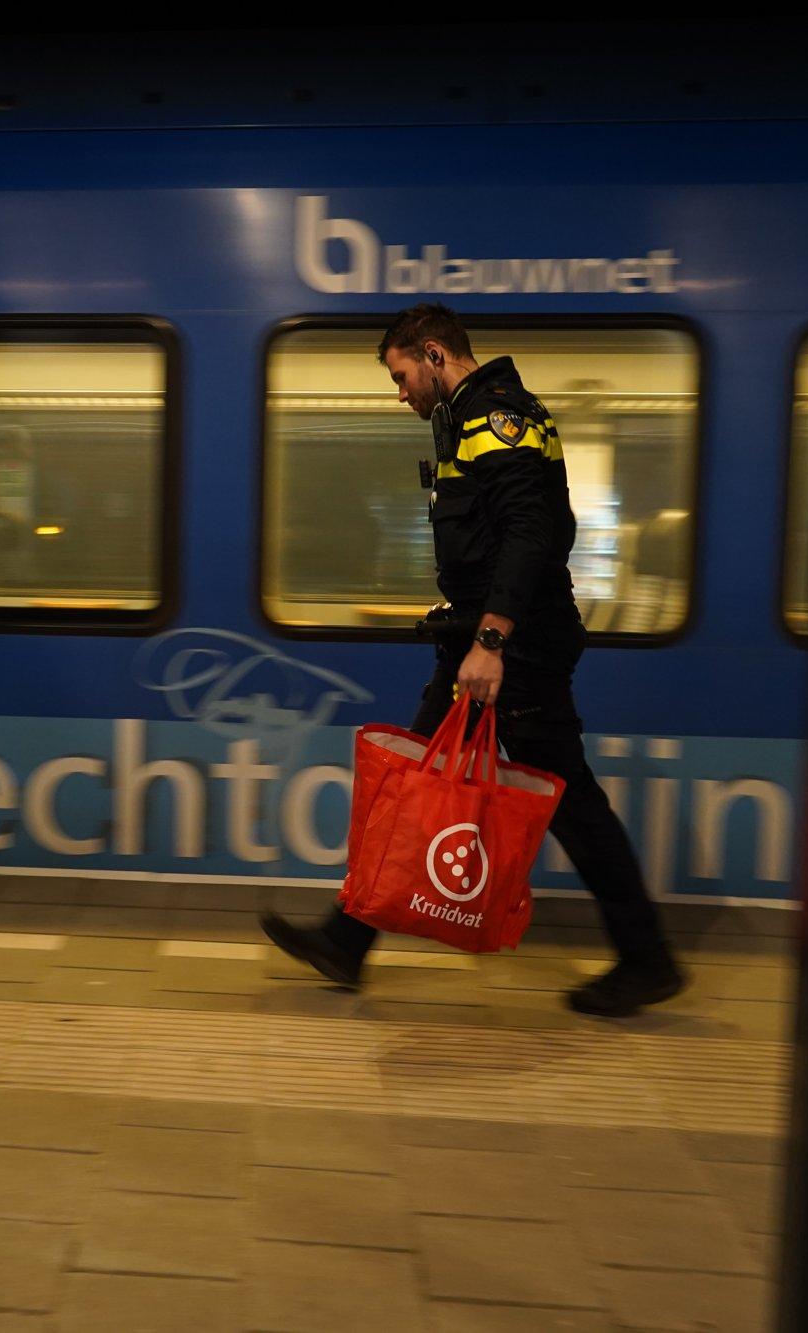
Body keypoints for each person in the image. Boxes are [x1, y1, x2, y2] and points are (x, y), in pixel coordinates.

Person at [261, 303, 686, 1017]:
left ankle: (647, 958)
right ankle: (346, 938)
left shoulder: (496, 420)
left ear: (434, 353)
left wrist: (491, 640)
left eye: (401, 377)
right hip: (482, 639)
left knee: (570, 802)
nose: (401, 393)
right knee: (420, 779)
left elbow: (531, 531)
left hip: (513, 648)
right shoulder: (464, 419)